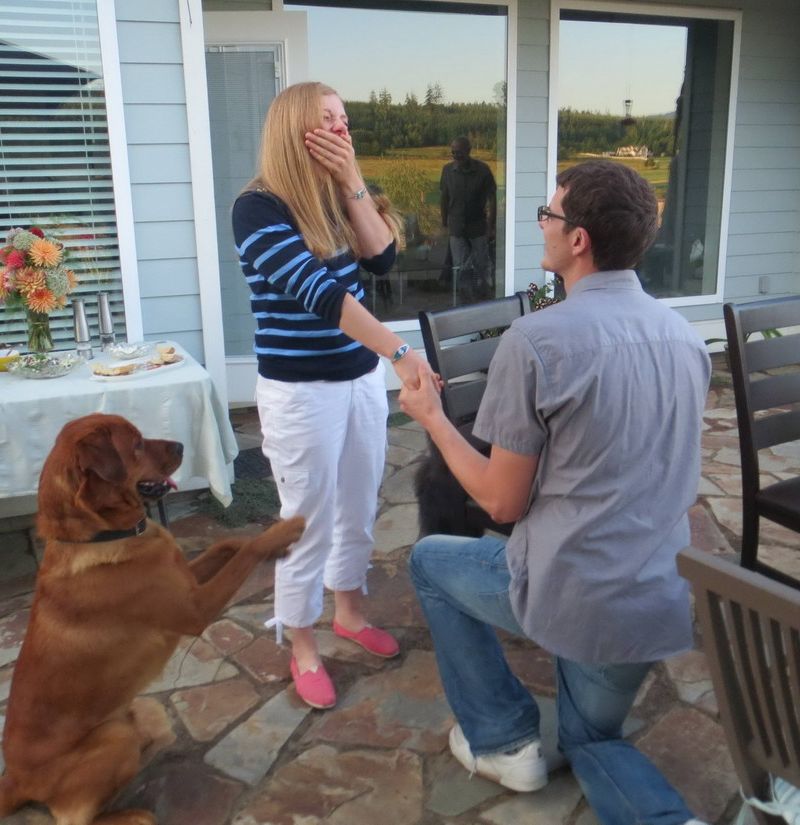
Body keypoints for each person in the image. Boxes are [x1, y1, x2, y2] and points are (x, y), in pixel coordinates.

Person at [400, 159, 712, 824]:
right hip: (656, 600)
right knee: (591, 740)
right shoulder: (687, 338)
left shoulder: (536, 339)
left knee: (428, 561)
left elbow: (500, 504)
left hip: (576, 594)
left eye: (549, 213)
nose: (540, 223)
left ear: (578, 239)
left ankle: (503, 739)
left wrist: (432, 419)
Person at [232, 81, 432, 711]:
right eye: (328, 120)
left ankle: (348, 612)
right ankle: (302, 644)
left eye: (345, 120)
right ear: (295, 129)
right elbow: (320, 295)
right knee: (306, 520)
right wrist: (400, 352)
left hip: (358, 380)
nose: (342, 131)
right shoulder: (257, 208)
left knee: (358, 505)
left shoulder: (335, 196)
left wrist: (351, 181)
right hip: (300, 392)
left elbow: (382, 259)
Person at [440, 136, 497, 300]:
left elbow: (492, 200)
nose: (455, 155)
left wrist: (490, 226)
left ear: (468, 151)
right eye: (453, 152)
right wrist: (444, 223)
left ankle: (485, 297)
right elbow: (444, 198)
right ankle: (464, 300)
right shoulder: (447, 170)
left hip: (478, 225)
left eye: (459, 152)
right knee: (460, 267)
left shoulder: (483, 170)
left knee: (482, 264)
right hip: (456, 226)